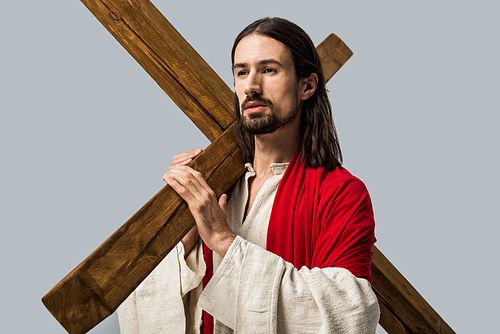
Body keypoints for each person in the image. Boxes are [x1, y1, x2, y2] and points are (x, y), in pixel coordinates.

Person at [117, 17, 380, 334]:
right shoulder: (213, 185)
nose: (250, 86)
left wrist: (224, 241)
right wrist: (182, 244)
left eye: (269, 70)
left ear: (307, 86)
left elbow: (352, 315)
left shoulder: (340, 192)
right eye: (242, 72)